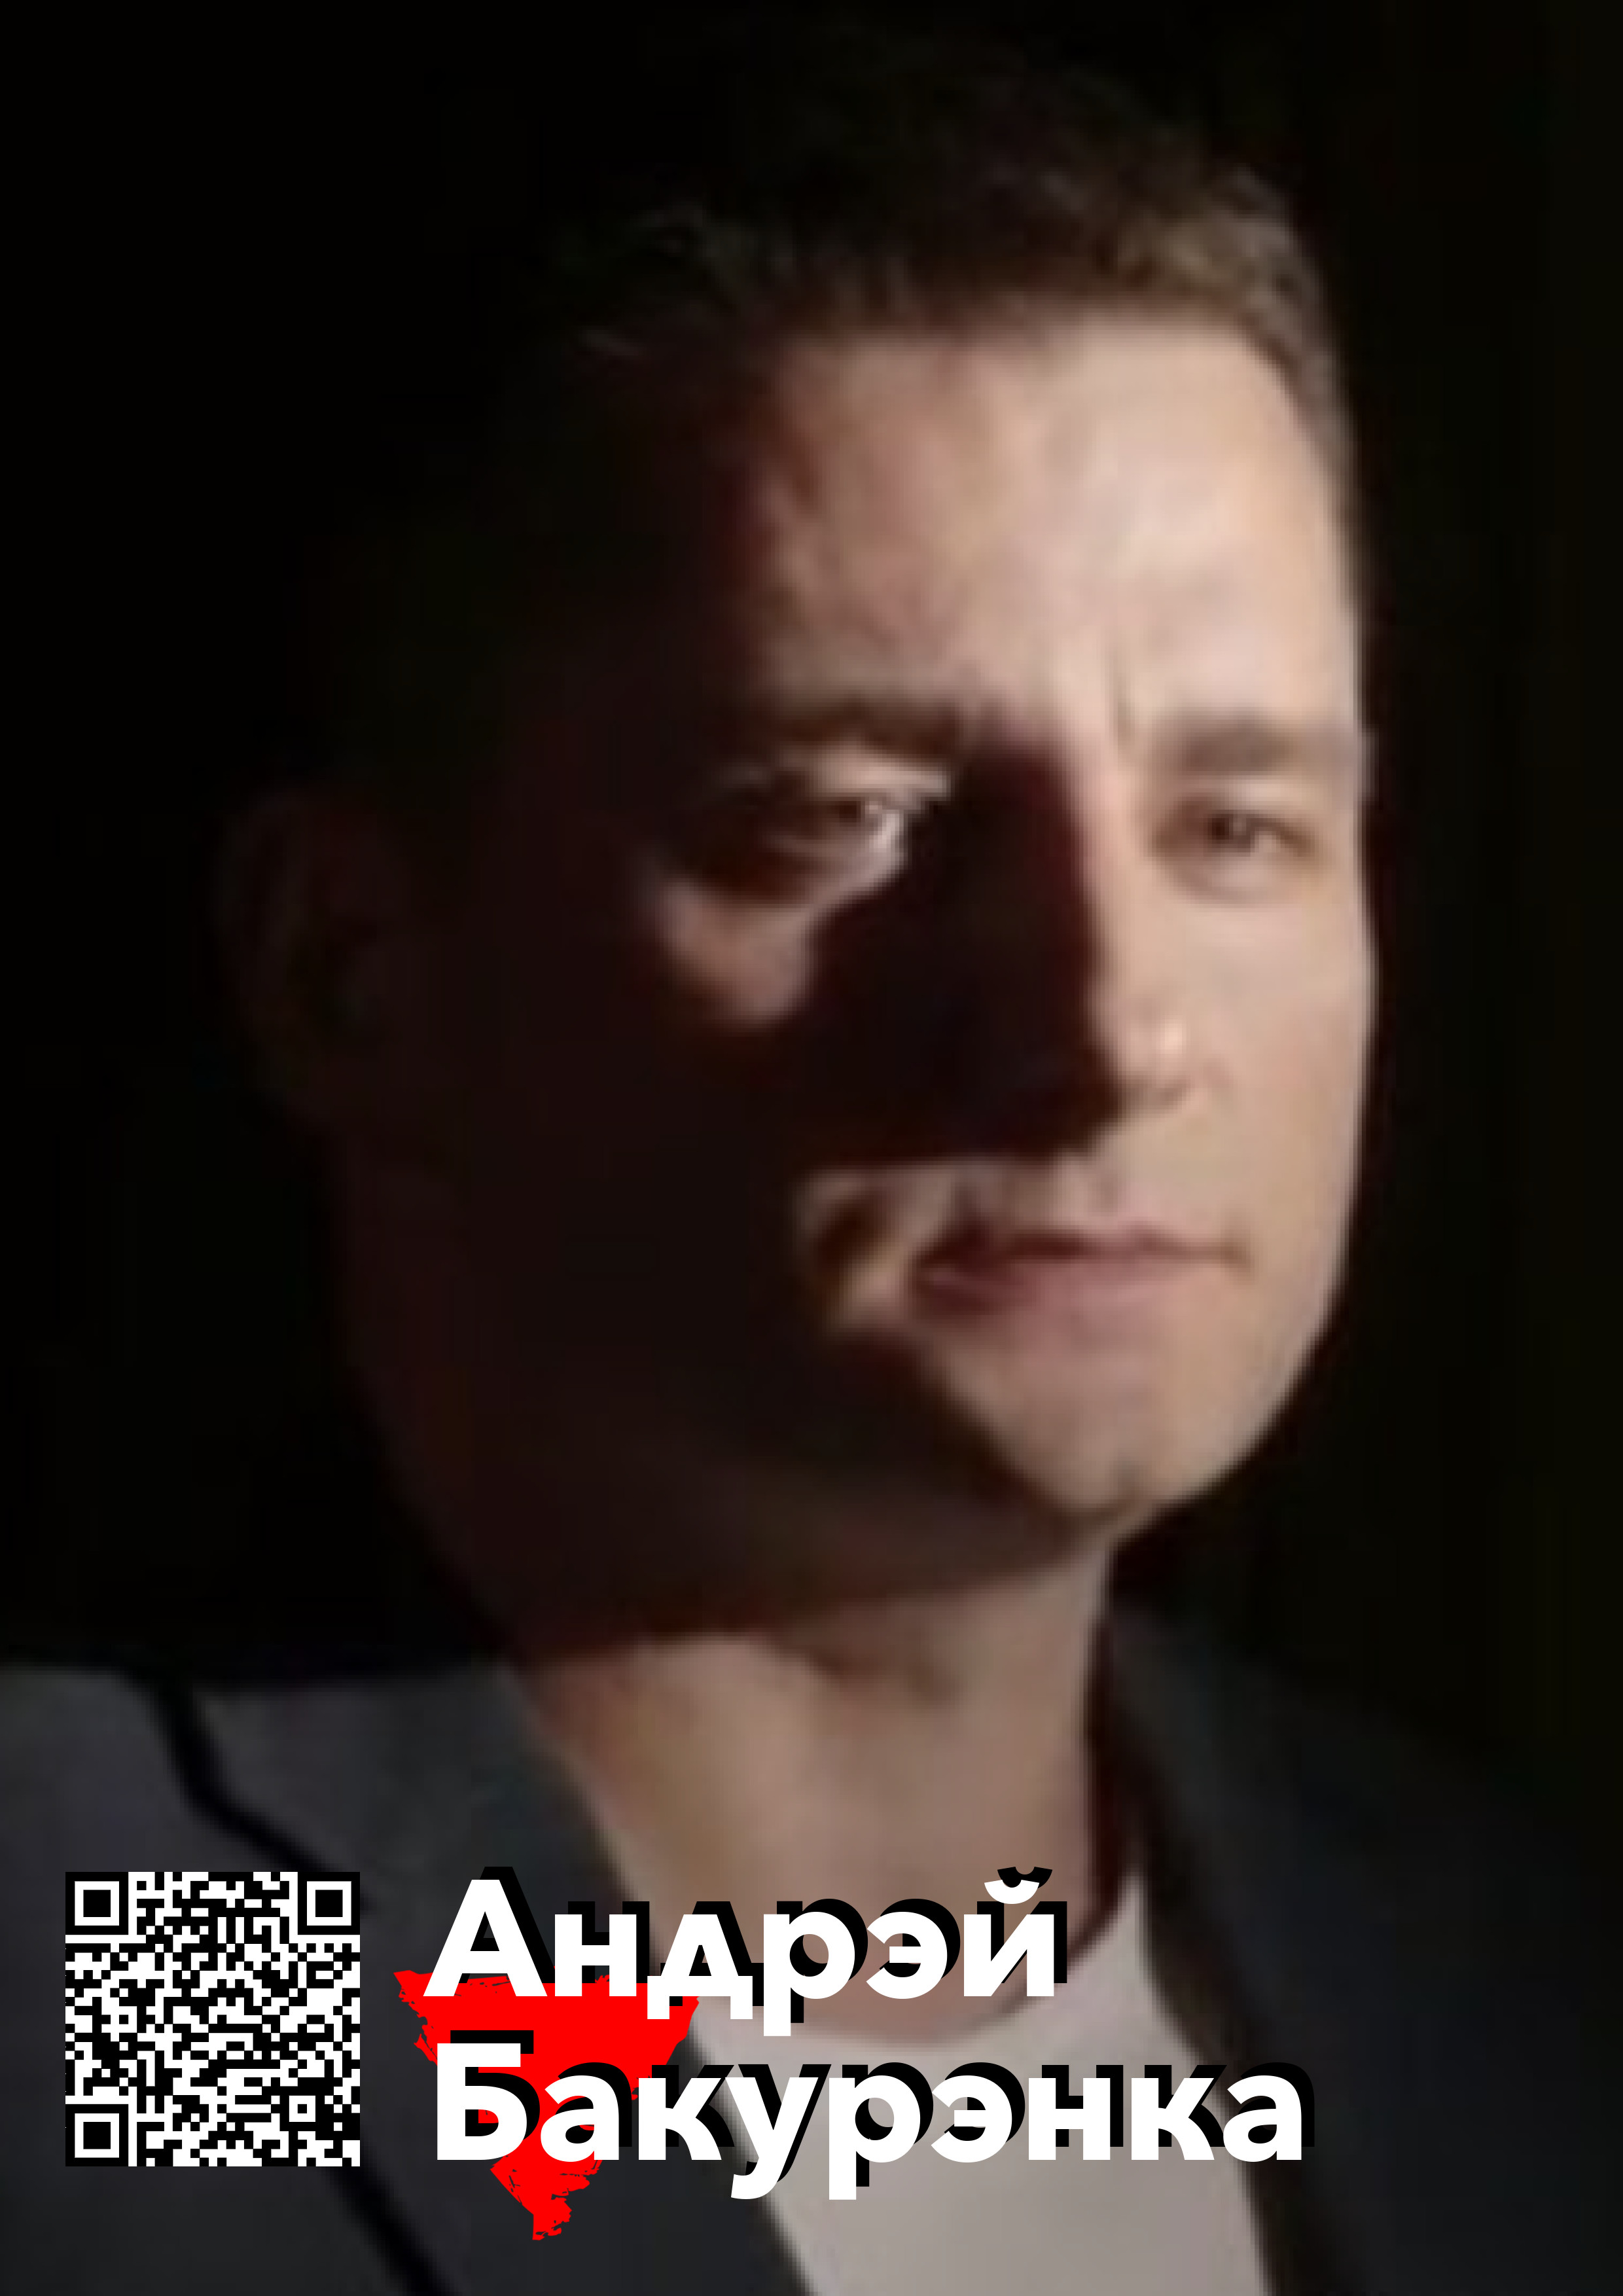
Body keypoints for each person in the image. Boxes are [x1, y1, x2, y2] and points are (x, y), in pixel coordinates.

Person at [4, 18, 1610, 2294]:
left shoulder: (1510, 1991)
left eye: (1235, 826)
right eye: (849, 817)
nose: (1111, 1034)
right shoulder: (123, 1995)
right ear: (353, 976)